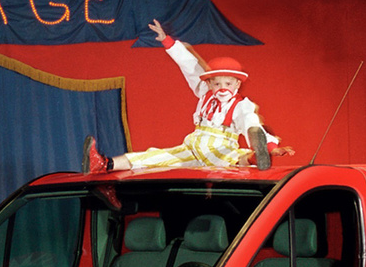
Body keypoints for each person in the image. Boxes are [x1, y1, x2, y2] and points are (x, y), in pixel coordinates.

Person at [84, 19, 293, 173]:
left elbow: (250, 123)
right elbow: (190, 66)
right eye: (217, 83)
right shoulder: (205, 93)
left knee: (230, 157)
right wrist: (167, 41)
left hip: (219, 147)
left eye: (228, 84)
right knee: (153, 156)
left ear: (237, 84)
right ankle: (105, 164)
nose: (222, 88)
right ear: (209, 83)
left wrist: (271, 147)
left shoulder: (240, 105)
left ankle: (257, 156)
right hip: (193, 147)